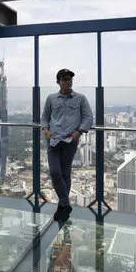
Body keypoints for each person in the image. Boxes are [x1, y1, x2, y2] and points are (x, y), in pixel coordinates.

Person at [41, 68, 94, 222]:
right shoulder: (51, 98)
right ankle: (65, 203)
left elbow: (88, 118)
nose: (68, 82)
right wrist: (45, 129)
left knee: (65, 173)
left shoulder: (80, 99)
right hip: (53, 140)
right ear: (58, 82)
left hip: (70, 141)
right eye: (64, 79)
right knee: (55, 172)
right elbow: (45, 116)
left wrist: (79, 132)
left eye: (70, 79)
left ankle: (62, 206)